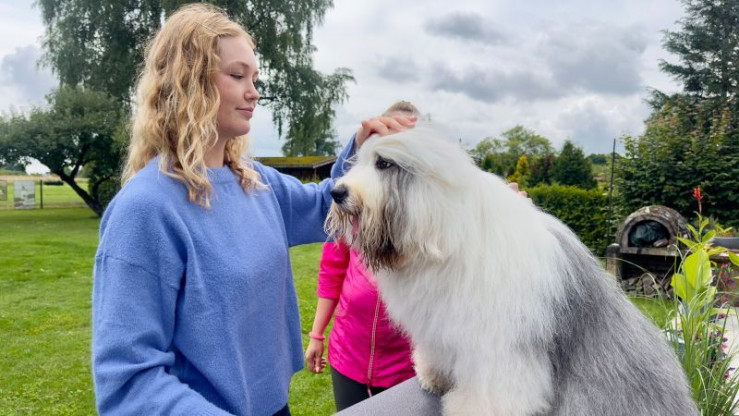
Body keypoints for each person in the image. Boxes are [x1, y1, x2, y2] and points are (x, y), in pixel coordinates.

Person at [91, 4, 414, 416]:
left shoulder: (254, 181)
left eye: (255, 78)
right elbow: (129, 381)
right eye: (237, 75)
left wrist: (360, 148)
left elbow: (326, 209)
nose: (254, 92)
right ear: (189, 81)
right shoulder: (145, 209)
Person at [304, 102, 421, 412]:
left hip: (405, 367)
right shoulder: (353, 208)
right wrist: (316, 335)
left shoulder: (428, 226)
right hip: (347, 357)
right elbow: (331, 273)